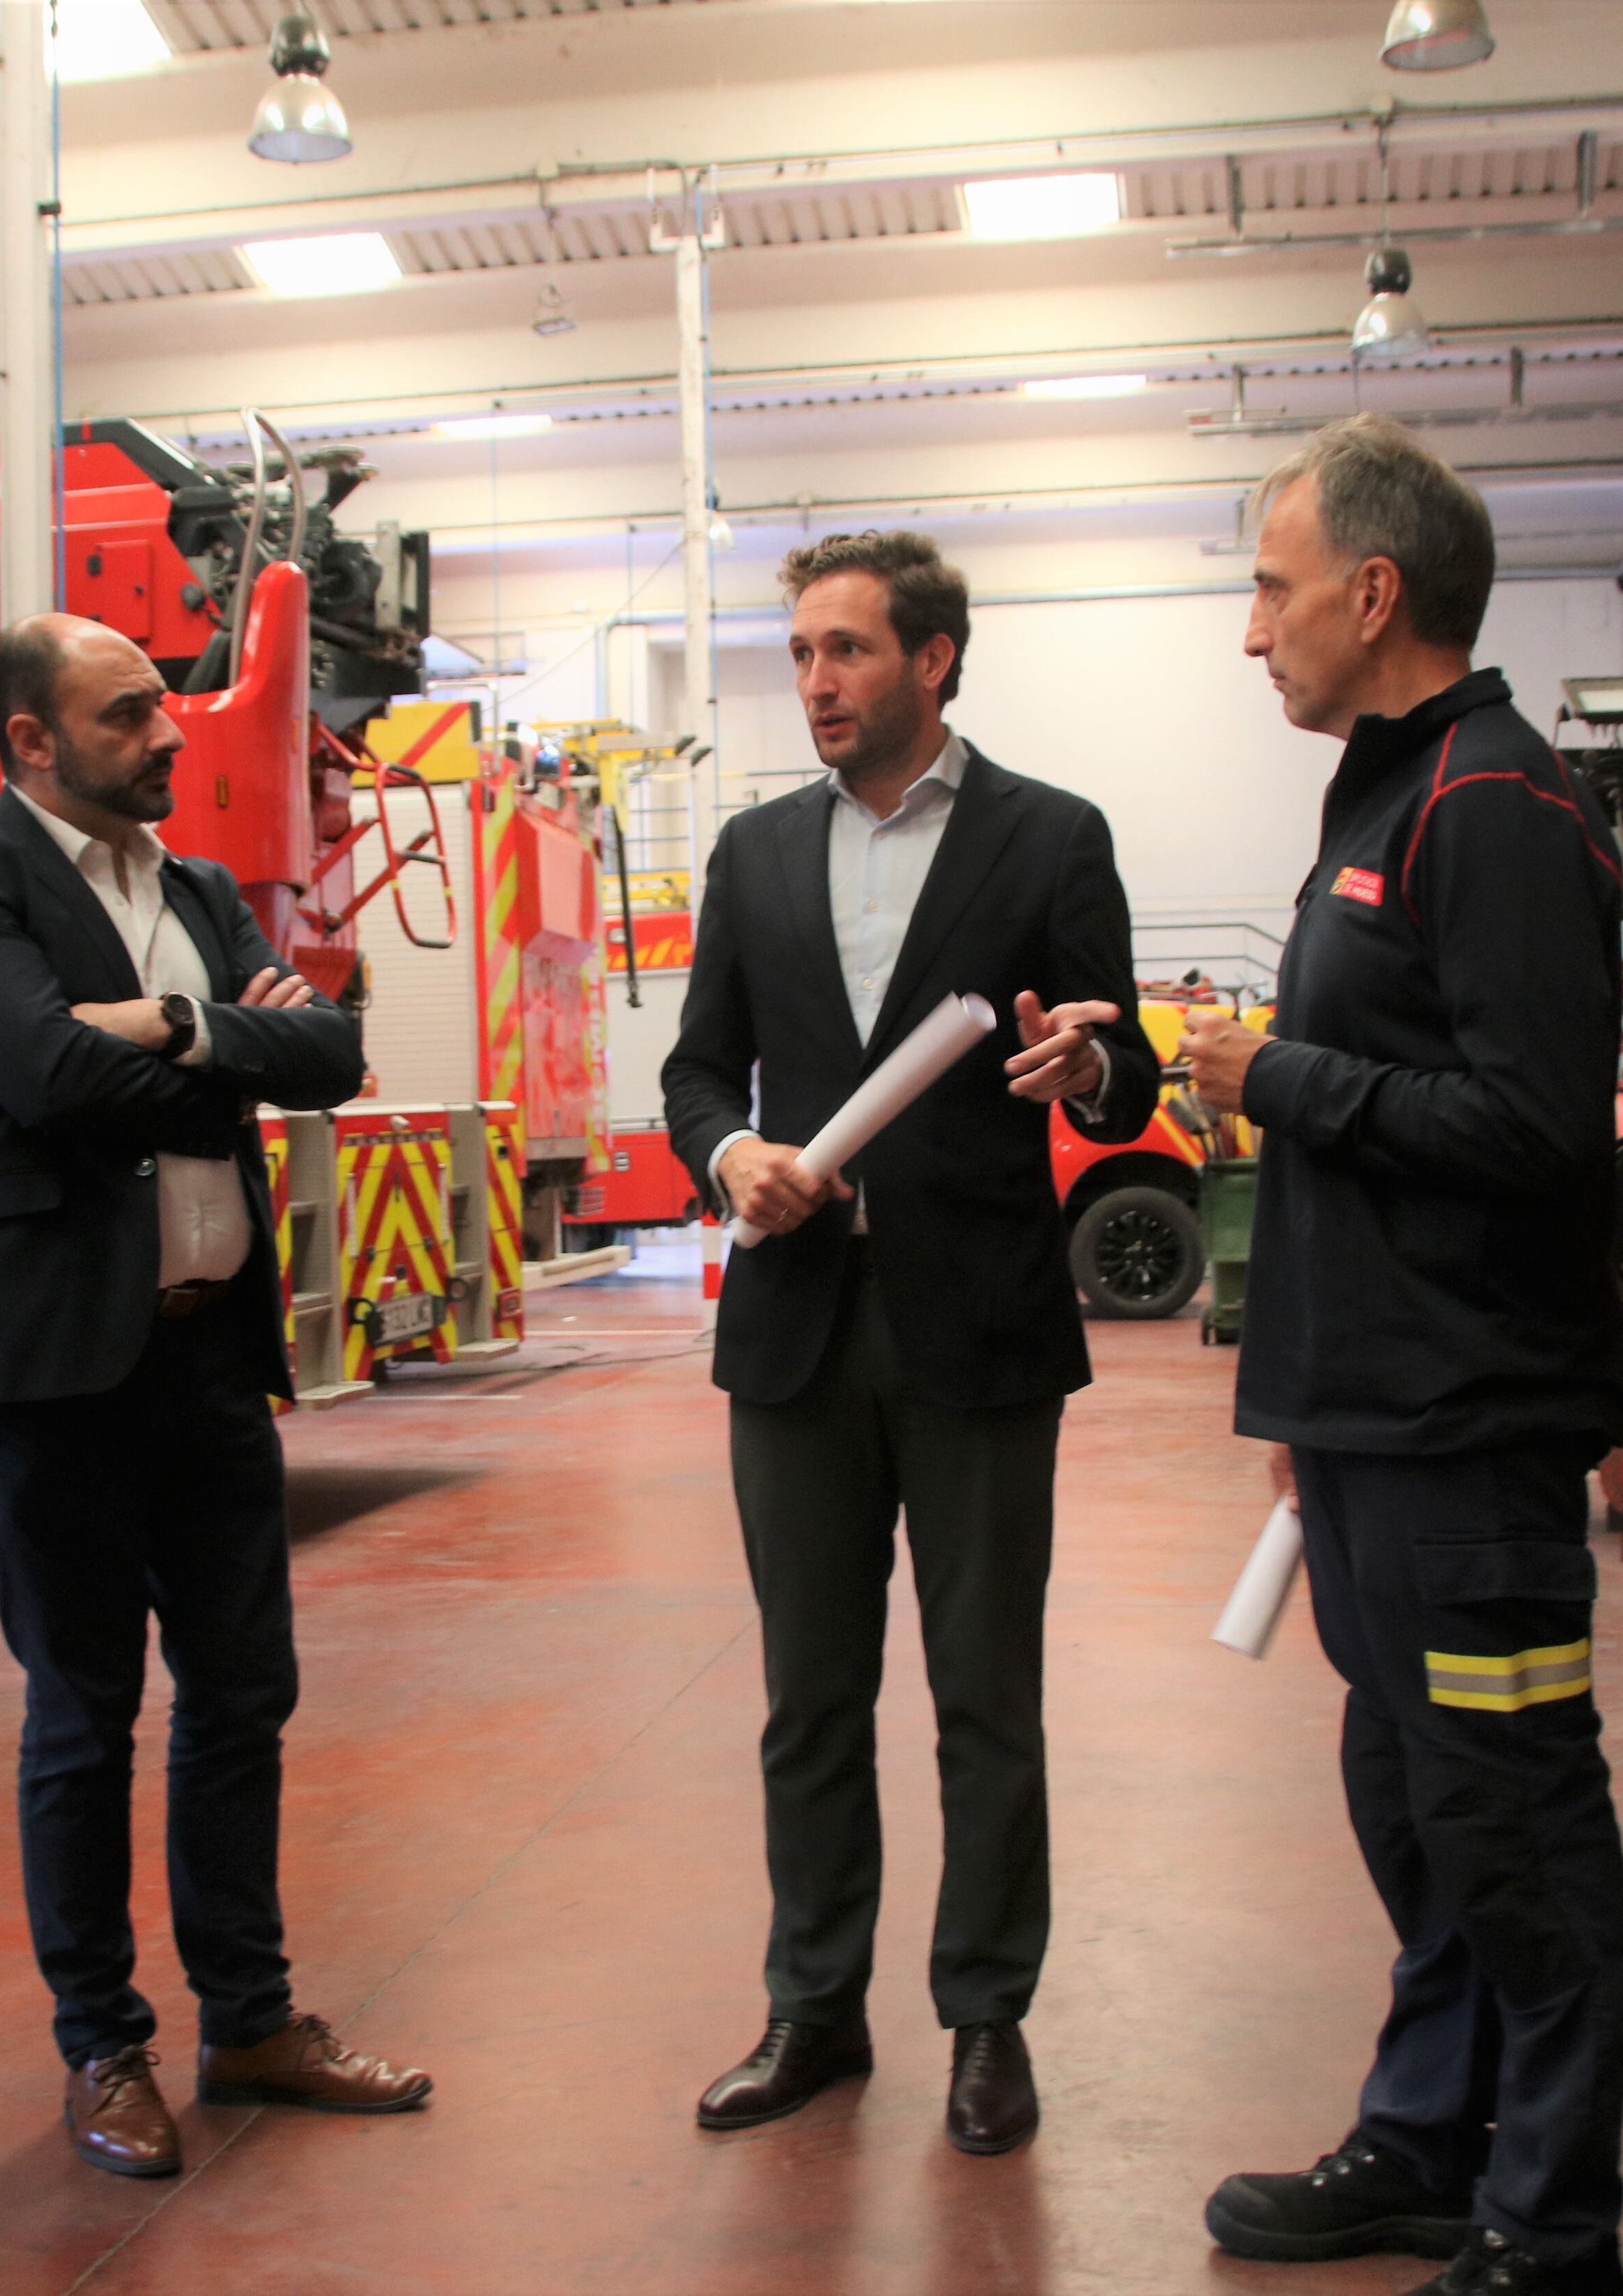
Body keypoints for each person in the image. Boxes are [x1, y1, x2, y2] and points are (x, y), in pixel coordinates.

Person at [1179, 415, 1623, 2296]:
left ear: (1376, 594)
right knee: (1421, 1804)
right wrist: (1309, 1411)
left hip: (1471, 1431)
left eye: (1273, 588)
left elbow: (1538, 1129)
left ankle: (1555, 2226)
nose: (1253, 630)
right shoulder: (1384, 793)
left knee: (1513, 1817)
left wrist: (1273, 1075)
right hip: (1373, 1426)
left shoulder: (1501, 807)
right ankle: (1430, 2142)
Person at [0, 612, 426, 2184]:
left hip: (204, 1350)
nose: (171, 736)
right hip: (52, 1361)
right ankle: (101, 2045)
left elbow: (331, 1049)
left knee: (243, 1691)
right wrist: (223, 1052)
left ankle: (249, 2018)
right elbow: (40, 1077)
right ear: (33, 739)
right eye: (128, 716)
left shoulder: (191, 889)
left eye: (164, 706)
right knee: (83, 1708)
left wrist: (185, 1023)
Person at [663, 530, 1159, 2155]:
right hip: (795, 1327)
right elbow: (697, 1073)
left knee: (982, 1694)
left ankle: (984, 2017)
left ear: (935, 659)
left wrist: (1085, 1072)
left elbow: (1124, 1062)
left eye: (848, 650)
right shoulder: (748, 854)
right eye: (800, 650)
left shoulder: (1049, 837)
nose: (815, 681)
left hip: (979, 1331)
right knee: (809, 1697)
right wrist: (727, 1158)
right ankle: (813, 2006)